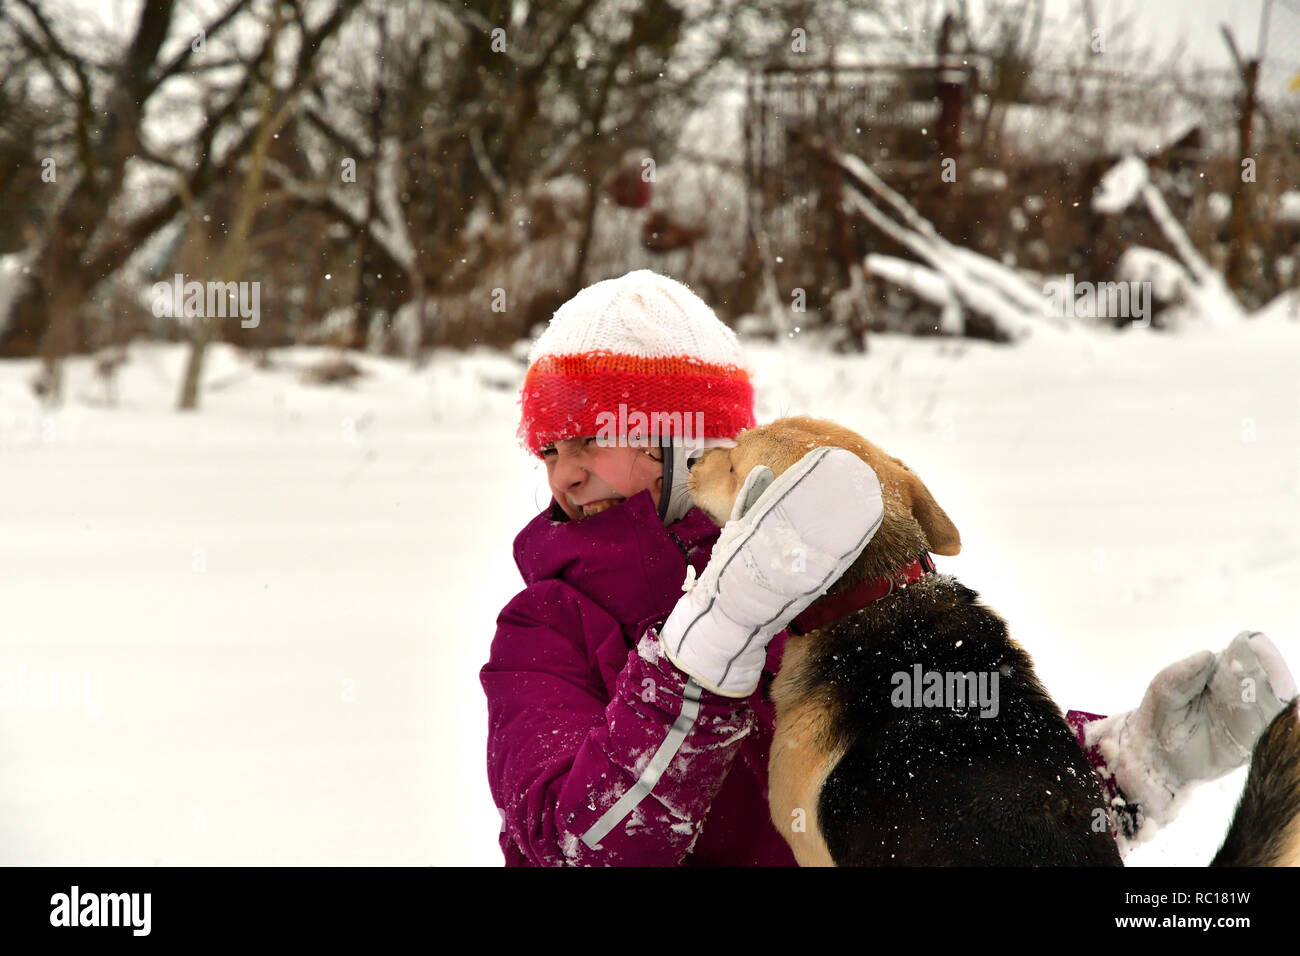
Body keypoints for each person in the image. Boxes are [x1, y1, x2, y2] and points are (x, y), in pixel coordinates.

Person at [480, 269, 1296, 866]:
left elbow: (922, 778)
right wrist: (706, 647)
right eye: (550, 448)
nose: (566, 471)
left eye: (592, 438)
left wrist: (1117, 768)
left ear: (688, 438)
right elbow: (578, 844)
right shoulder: (542, 631)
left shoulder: (819, 586)